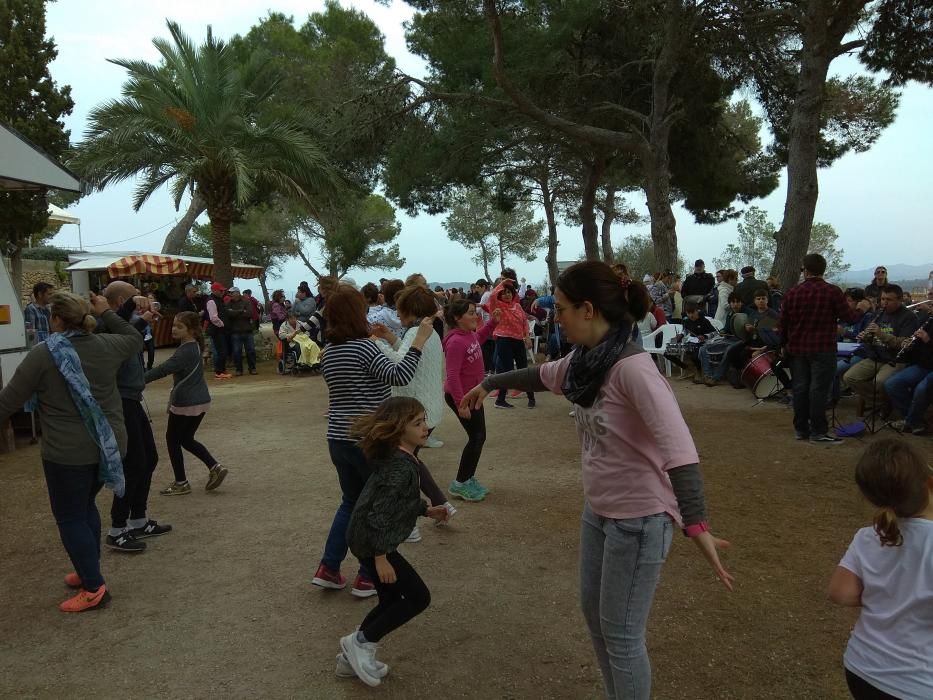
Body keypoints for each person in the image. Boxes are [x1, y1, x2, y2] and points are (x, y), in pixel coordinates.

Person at [461, 261, 733, 700]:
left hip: (640, 521)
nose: (556, 316)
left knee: (622, 636)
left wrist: (696, 525)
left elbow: (680, 451)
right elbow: (543, 375)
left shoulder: (632, 369)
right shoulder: (585, 360)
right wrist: (491, 383)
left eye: (563, 308)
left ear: (588, 310)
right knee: (597, 621)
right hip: (600, 512)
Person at [0, 291, 144, 612]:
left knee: (70, 516)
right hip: (108, 446)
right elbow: (134, 336)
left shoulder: (44, 355)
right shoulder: (107, 345)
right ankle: (87, 570)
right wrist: (106, 312)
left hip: (68, 453)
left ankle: (94, 588)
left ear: (56, 320)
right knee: (85, 507)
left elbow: (8, 401)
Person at [312, 285, 433, 599]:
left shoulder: (329, 353)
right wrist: (417, 342)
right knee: (376, 506)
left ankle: (329, 567)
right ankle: (367, 576)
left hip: (338, 438)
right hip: (370, 440)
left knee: (350, 502)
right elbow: (401, 375)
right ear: (358, 314)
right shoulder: (365, 348)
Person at [338, 397, 450, 687]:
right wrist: (381, 556)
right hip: (371, 542)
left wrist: (426, 510)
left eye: (424, 420)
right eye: (417, 423)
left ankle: (350, 657)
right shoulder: (401, 466)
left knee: (390, 600)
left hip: (366, 537)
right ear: (399, 430)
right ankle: (360, 643)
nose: (425, 427)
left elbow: (396, 501)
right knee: (417, 597)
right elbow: (379, 514)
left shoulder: (403, 458)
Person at [829, 440, 933, 700]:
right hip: (917, 684)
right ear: (929, 483)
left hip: (862, 669)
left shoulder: (869, 536)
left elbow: (840, 592)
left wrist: (888, 594)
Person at [370, 284, 455, 535]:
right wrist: (390, 338)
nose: (397, 314)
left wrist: (376, 344)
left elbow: (401, 367)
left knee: (401, 467)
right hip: (427, 409)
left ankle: (409, 525)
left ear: (410, 310)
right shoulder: (427, 331)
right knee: (411, 462)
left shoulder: (416, 332)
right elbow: (411, 356)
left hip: (414, 413)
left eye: (399, 310)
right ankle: (443, 505)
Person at [101, 282, 171, 553]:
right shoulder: (104, 325)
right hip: (120, 401)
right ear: (120, 301)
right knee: (133, 463)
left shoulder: (123, 325)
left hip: (132, 398)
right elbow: (123, 338)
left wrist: (143, 318)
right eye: (133, 298)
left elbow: (129, 337)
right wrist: (137, 311)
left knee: (149, 458)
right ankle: (118, 528)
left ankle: (138, 519)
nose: (141, 301)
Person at [780, 253, 871, 443]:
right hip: (823, 349)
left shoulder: (792, 293)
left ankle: (801, 429)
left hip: (797, 349)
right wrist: (862, 308)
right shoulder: (832, 292)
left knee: (800, 389)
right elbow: (850, 318)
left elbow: (783, 324)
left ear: (805, 270)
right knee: (819, 390)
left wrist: (784, 345)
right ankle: (818, 432)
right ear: (823, 270)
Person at [145, 311, 228, 495]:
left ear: (191, 330)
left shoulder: (185, 351)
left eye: (179, 326)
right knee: (186, 439)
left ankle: (181, 482)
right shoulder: (194, 346)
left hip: (185, 402)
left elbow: (162, 370)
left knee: (173, 439)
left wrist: (138, 381)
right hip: (200, 400)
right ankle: (215, 467)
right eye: (174, 325)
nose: (174, 329)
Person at [442, 299, 501, 502]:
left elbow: (480, 338)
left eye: (475, 312)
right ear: (457, 318)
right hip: (462, 396)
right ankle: (460, 483)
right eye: (470, 313)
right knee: (476, 437)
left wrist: (492, 323)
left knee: (479, 436)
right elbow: (452, 375)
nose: (475, 315)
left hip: (473, 394)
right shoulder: (456, 342)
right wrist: (461, 404)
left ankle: (467, 478)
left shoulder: (468, 335)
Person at [843, 284, 920, 417]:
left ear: (900, 300)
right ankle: (883, 403)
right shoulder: (879, 313)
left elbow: (903, 344)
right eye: (883, 299)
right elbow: (870, 337)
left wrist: (880, 333)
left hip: (896, 359)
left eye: (889, 300)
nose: (884, 303)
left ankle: (886, 403)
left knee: (879, 382)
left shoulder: (909, 317)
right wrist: (866, 336)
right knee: (850, 377)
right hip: (875, 357)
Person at [485, 283, 534, 409]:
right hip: (503, 339)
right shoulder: (498, 306)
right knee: (507, 370)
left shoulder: (517, 306)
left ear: (513, 294)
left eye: (509, 292)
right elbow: (492, 297)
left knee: (524, 368)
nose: (507, 295)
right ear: (500, 295)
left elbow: (524, 322)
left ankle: (531, 397)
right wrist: (502, 283)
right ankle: (500, 400)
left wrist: (527, 337)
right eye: (504, 292)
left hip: (518, 340)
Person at [885, 320, 932, 435]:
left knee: (921, 389)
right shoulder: (929, 322)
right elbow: (920, 350)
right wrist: (910, 345)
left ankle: (911, 422)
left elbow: (928, 343)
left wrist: (928, 340)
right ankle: (915, 421)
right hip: (923, 366)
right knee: (892, 384)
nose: (930, 306)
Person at [225, 287, 257, 376]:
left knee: (251, 351)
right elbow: (227, 314)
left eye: (232, 293)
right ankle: (238, 369)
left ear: (237, 293)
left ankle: (252, 368)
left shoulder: (247, 302)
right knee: (236, 352)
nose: (230, 295)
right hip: (235, 331)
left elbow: (249, 313)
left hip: (247, 330)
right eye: (230, 293)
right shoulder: (228, 304)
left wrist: (234, 312)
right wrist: (241, 311)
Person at [204, 282, 231, 379]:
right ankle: (219, 372)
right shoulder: (211, 301)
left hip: (220, 330)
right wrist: (222, 325)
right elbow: (213, 318)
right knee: (221, 351)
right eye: (220, 290)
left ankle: (222, 370)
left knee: (223, 350)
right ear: (214, 290)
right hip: (217, 330)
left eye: (223, 290)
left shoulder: (218, 300)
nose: (222, 292)